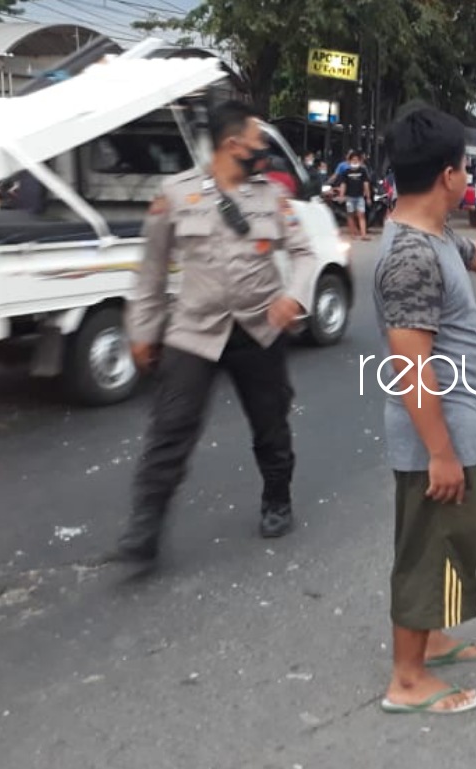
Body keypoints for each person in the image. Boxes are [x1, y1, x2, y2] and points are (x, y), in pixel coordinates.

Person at [372, 103, 476, 715]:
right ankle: (407, 680)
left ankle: (433, 639)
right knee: (427, 548)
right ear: (447, 175)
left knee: (450, 543)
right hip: (438, 435)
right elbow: (410, 364)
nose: (468, 176)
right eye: (465, 167)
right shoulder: (411, 257)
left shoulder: (435, 235)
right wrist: (440, 452)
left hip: (460, 428)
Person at [109, 101, 319, 565]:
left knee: (271, 424)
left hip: (260, 328)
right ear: (232, 145)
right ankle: (145, 528)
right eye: (257, 141)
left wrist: (295, 298)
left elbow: (304, 253)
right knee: (170, 428)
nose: (263, 149)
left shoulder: (272, 197)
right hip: (194, 330)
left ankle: (277, 501)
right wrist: (142, 332)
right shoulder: (176, 194)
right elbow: (151, 273)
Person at [338, 151, 373, 240]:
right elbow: (343, 184)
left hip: (360, 197)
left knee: (361, 215)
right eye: (353, 160)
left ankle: (363, 235)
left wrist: (368, 197)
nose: (355, 161)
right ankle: (352, 234)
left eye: (356, 160)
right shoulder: (346, 172)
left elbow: (366, 184)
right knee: (350, 215)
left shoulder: (362, 171)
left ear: (359, 161)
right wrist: (341, 195)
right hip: (349, 197)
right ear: (349, 161)